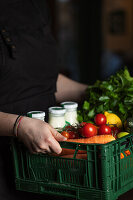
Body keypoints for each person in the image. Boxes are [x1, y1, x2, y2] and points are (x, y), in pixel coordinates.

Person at [0, 0, 88, 199]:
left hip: (47, 164)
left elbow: (42, 79)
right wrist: (19, 126)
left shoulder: (35, 6)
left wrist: (91, 91)